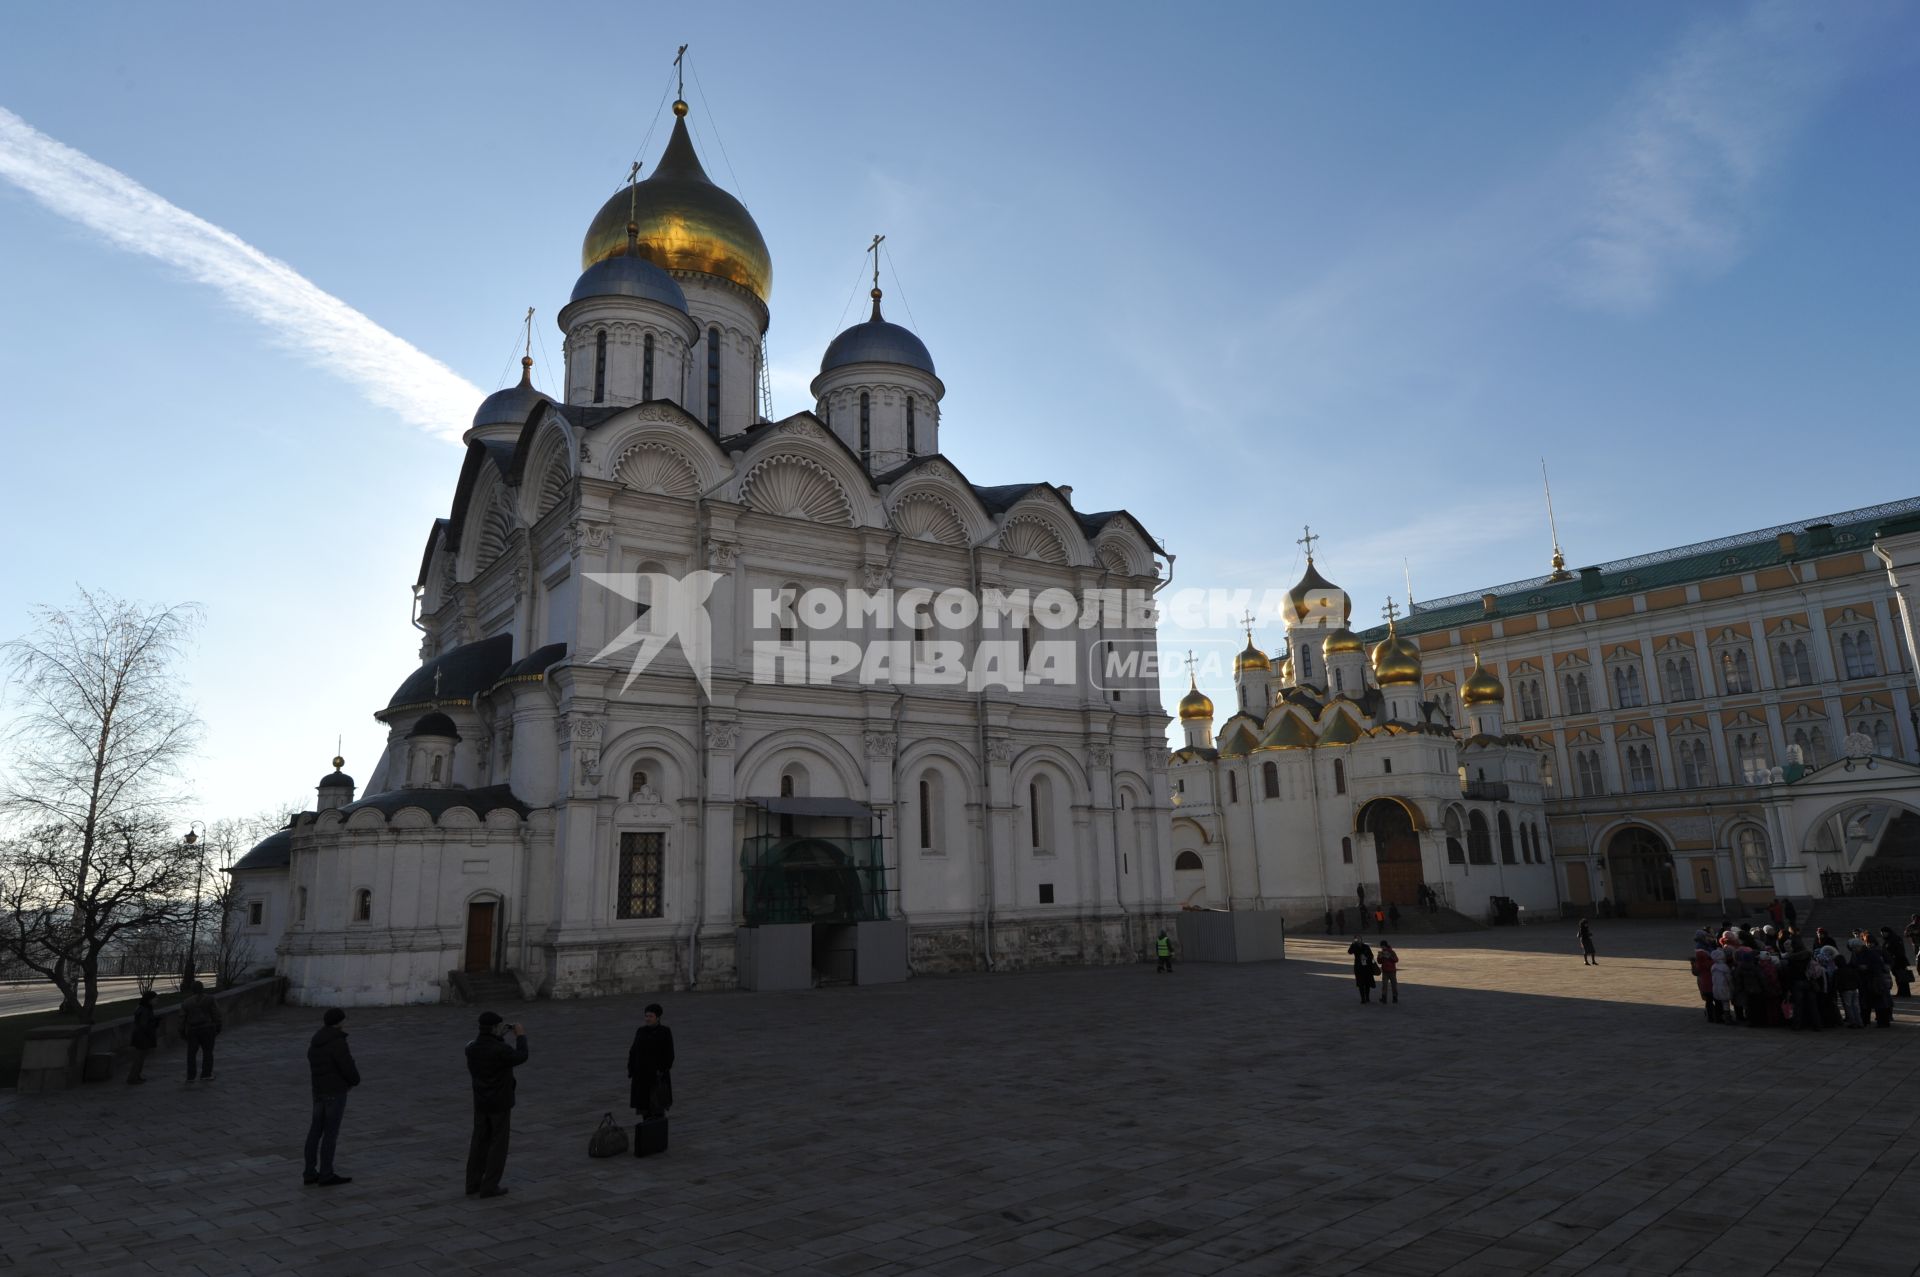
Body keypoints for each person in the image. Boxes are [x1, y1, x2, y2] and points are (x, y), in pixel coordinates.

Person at [465, 1012, 529, 1198]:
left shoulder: (472, 1049)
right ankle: (490, 1185)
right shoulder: (500, 1050)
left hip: (481, 1102)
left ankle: (472, 1183)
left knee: (478, 1143)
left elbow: (477, 1046)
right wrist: (521, 1035)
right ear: (494, 1028)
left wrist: (498, 1037)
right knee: (498, 1145)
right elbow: (521, 1056)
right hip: (499, 1102)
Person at [304, 1008, 360, 1186]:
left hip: (318, 1091)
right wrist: (354, 1080)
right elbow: (347, 1066)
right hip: (335, 1092)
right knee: (330, 1134)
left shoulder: (316, 1040)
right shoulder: (337, 1041)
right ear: (339, 1022)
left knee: (315, 1132)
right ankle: (326, 1173)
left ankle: (309, 1172)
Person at [627, 1003, 675, 1122]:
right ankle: (647, 1136)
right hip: (641, 1078)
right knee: (645, 1111)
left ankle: (657, 1136)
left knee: (657, 1109)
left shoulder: (665, 1031)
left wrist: (661, 1070)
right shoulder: (641, 1031)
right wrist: (631, 1069)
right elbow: (633, 1051)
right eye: (646, 1016)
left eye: (650, 1016)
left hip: (657, 1078)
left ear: (658, 1017)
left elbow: (669, 1054)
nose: (647, 1019)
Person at [181, 980, 222, 1081]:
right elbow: (216, 1014)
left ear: (192, 990)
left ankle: (191, 1076)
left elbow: (182, 1018)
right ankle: (206, 1074)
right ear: (202, 988)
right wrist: (218, 1026)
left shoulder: (186, 1002)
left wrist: (181, 1032)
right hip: (207, 1028)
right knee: (208, 1052)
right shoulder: (210, 999)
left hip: (193, 1029)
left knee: (191, 1054)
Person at [126, 988, 158, 1084]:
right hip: (142, 1037)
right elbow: (144, 1025)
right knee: (139, 1058)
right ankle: (133, 1077)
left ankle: (135, 1076)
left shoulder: (143, 1008)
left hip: (140, 1036)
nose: (157, 1001)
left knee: (140, 1058)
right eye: (155, 999)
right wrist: (154, 1023)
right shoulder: (145, 1010)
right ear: (150, 1000)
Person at [1879, 926, 1912, 999]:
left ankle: (1905, 993)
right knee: (1899, 977)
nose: (1883, 934)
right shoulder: (1889, 939)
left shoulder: (1895, 939)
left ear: (1888, 932)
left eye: (1884, 933)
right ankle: (1902, 992)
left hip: (1899, 961)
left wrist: (1894, 957)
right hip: (1894, 961)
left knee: (1902, 977)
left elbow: (1899, 951)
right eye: (1882, 933)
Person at [1346, 936, 1377, 1004]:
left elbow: (1371, 955)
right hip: (1358, 968)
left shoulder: (1366, 946)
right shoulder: (1354, 947)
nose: (1358, 940)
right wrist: (1352, 944)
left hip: (1367, 968)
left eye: (1359, 939)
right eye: (1356, 939)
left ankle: (1367, 997)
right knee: (1360, 984)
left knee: (1367, 984)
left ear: (1361, 940)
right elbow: (1349, 952)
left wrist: (1366, 957)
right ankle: (1363, 999)